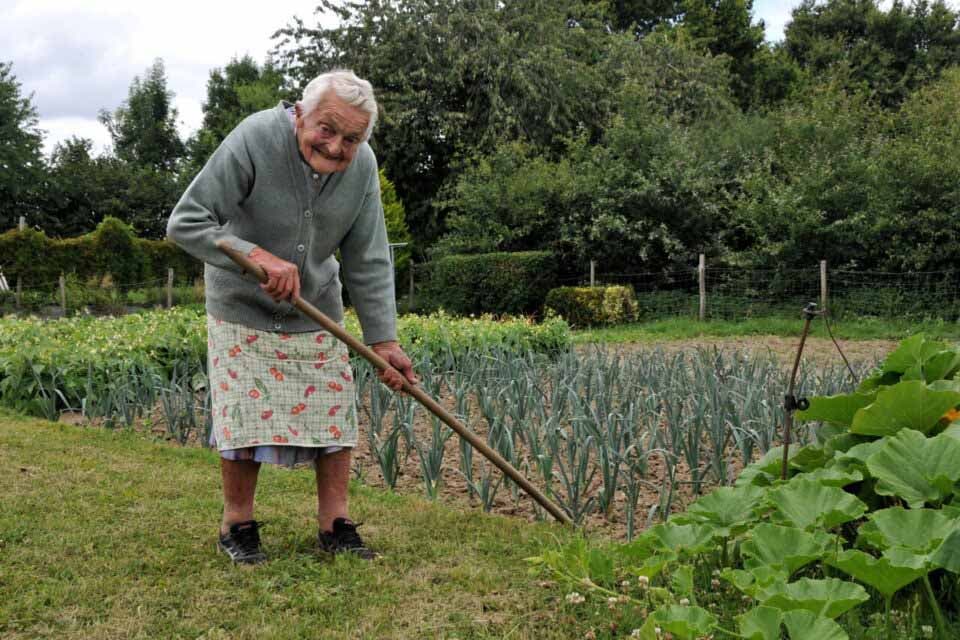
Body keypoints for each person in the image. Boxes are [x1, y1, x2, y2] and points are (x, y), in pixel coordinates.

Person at [167, 69, 417, 564]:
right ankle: (237, 525)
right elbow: (186, 221)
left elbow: (367, 256)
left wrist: (384, 341)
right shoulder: (256, 137)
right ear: (300, 113)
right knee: (243, 418)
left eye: (352, 137)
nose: (336, 146)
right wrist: (253, 255)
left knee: (333, 413)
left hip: (316, 307)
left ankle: (335, 525)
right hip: (241, 304)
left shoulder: (361, 167)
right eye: (327, 128)